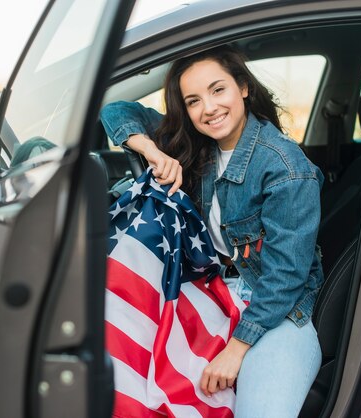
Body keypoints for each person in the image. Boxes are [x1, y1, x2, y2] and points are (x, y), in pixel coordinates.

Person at [100, 44, 324, 417]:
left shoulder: (285, 166)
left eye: (218, 90)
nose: (208, 108)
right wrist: (152, 152)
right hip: (213, 290)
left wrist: (236, 350)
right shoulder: (196, 144)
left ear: (243, 87)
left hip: (276, 309)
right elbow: (116, 111)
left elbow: (286, 276)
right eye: (193, 100)